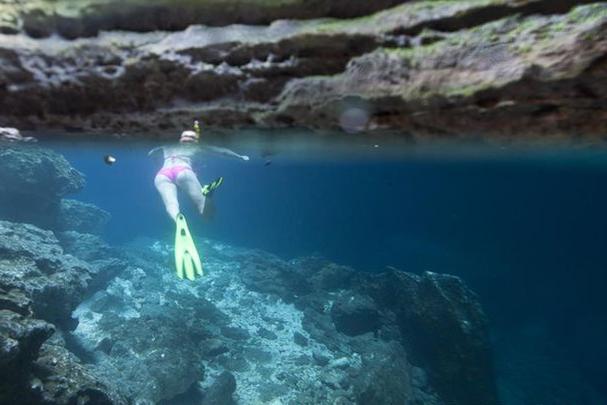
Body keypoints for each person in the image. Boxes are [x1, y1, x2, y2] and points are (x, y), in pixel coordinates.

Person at [148, 125, 248, 280]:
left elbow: (151, 153)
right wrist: (240, 157)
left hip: (162, 174)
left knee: (171, 205)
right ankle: (208, 193)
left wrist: (158, 157)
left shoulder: (165, 144)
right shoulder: (198, 146)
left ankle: (178, 219)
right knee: (207, 214)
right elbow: (222, 151)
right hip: (184, 170)